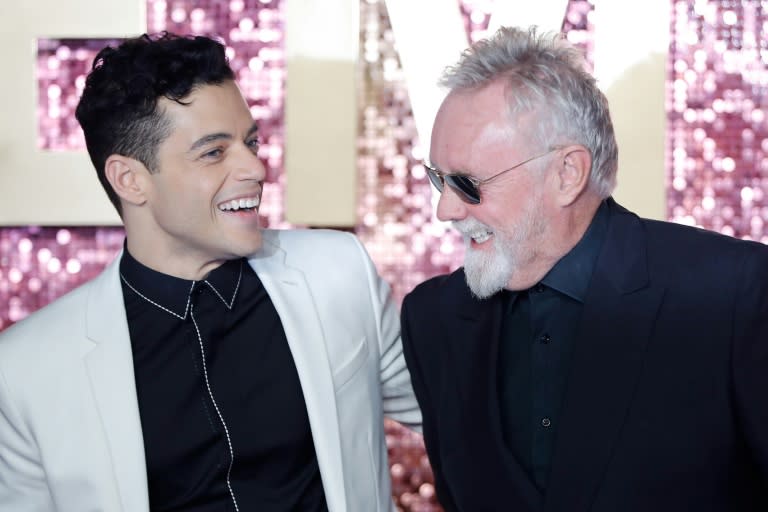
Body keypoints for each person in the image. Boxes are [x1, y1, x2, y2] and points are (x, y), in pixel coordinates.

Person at [0, 32, 420, 512]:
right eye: (214, 152)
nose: (256, 168)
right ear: (130, 179)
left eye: (251, 142)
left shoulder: (337, 273)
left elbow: (458, 417)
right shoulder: (25, 370)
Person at [401, 25, 768, 512]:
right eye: (437, 179)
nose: (445, 210)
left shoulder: (731, 296)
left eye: (467, 184)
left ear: (567, 174)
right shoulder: (433, 319)